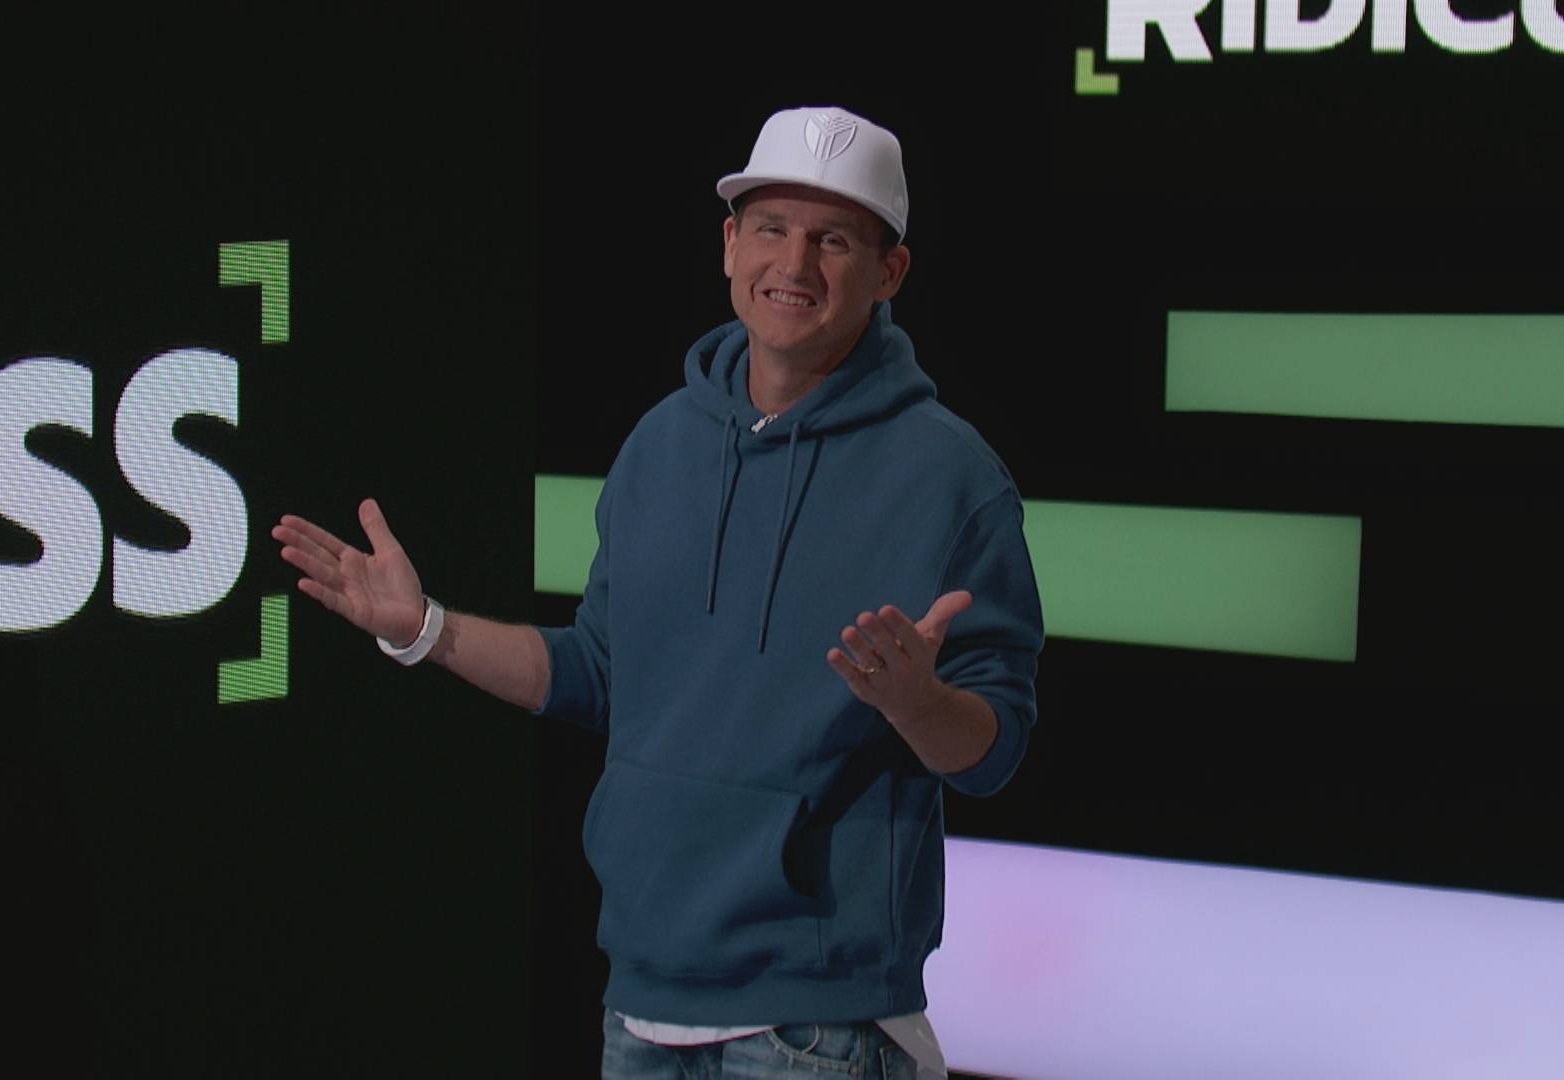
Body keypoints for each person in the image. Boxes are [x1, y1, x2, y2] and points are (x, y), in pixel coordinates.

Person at [273, 105, 1043, 1080]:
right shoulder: (661, 443)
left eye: (833, 240)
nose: (794, 264)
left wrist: (917, 702)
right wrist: (423, 629)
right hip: (641, 1007)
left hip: (822, 1030)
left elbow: (994, 752)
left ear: (889, 272)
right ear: (728, 245)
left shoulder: (953, 478)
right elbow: (600, 672)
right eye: (771, 229)